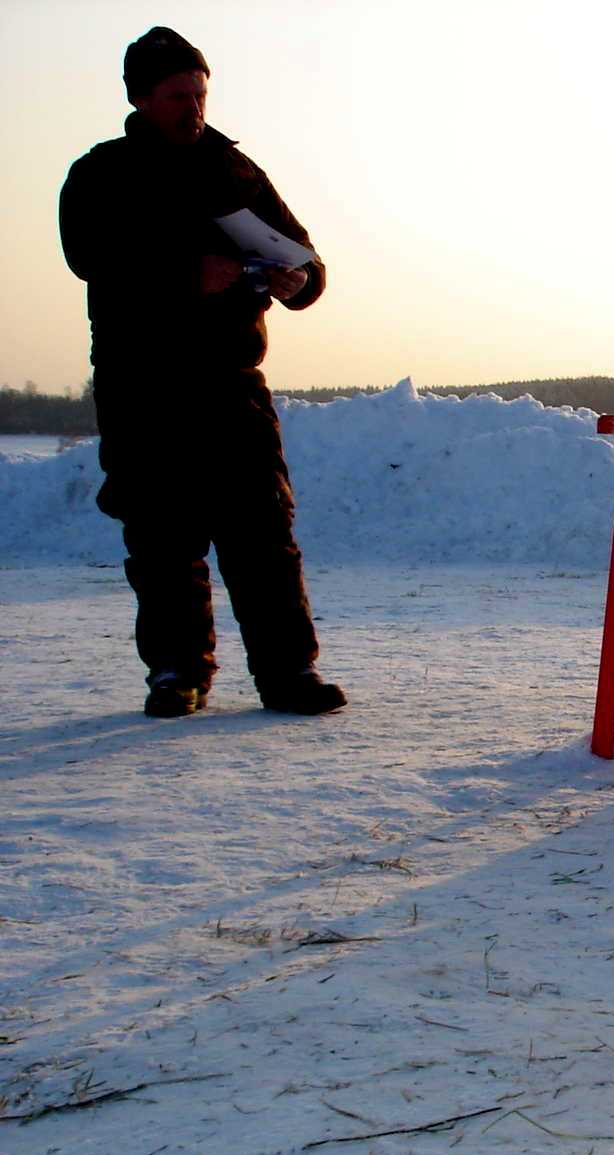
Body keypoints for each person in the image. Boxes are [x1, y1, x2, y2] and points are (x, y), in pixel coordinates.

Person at [60, 26, 346, 718]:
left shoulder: (233, 170)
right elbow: (87, 254)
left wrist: (295, 280)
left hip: (230, 386)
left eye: (200, 93)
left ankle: (288, 673)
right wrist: (189, 274)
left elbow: (309, 262)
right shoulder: (101, 174)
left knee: (262, 533)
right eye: (178, 94)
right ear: (140, 98)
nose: (194, 106)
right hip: (142, 389)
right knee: (161, 538)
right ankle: (178, 672)